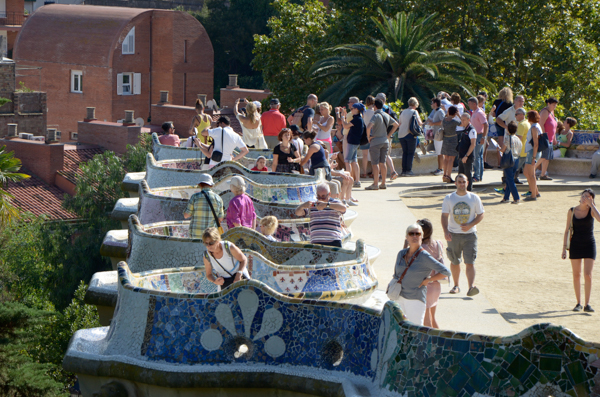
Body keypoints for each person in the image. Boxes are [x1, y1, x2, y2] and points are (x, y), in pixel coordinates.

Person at [390, 223, 451, 325]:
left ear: (421, 237)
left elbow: (446, 272)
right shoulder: (401, 254)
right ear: (406, 237)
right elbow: (396, 274)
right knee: (398, 329)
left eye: (417, 234)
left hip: (415, 300)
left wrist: (429, 279)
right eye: (411, 233)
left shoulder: (424, 256)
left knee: (415, 331)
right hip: (398, 296)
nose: (414, 236)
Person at [441, 174, 484, 296]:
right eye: (459, 182)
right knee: (455, 261)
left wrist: (471, 224)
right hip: (453, 234)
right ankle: (456, 285)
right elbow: (444, 216)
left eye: (464, 182)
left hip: (470, 235)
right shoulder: (449, 198)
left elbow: (481, 214)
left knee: (470, 261)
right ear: (455, 183)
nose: (462, 184)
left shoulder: (474, 198)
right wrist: (446, 231)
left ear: (467, 182)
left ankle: (471, 287)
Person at [562, 189, 600, 313]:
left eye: (588, 197)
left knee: (588, 275)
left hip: (589, 244)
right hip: (575, 244)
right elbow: (567, 230)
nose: (585, 198)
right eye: (584, 196)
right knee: (576, 275)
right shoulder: (572, 211)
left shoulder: (592, 211)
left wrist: (592, 205)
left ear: (592, 199)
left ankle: (587, 304)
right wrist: (564, 248)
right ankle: (578, 303)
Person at [294, 183, 347, 247]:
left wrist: (327, 204)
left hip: (333, 240)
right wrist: (302, 206)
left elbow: (344, 208)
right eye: (318, 196)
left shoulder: (335, 203)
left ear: (329, 194)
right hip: (316, 242)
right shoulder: (313, 205)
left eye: (323, 196)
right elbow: (297, 213)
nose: (320, 199)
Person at [366, 98, 399, 190]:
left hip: (376, 141)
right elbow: (396, 124)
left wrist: (369, 137)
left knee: (375, 163)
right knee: (383, 162)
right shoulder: (386, 115)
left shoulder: (375, 116)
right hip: (385, 141)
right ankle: (383, 183)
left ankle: (375, 184)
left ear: (375, 106)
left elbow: (368, 127)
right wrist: (388, 135)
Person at [183, 174, 224, 238]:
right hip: (211, 236)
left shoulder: (195, 197)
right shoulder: (218, 198)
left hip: (196, 235)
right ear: (211, 185)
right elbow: (220, 218)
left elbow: (186, 215)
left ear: (200, 184)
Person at [339, 102, 365, 185]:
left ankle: (349, 180)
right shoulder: (359, 118)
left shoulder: (357, 119)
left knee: (347, 161)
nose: (351, 110)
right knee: (354, 161)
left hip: (352, 142)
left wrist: (342, 117)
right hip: (355, 142)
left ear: (356, 109)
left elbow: (346, 126)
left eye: (353, 108)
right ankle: (357, 180)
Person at [375, 93, 400, 180]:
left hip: (382, 136)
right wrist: (389, 135)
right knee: (386, 155)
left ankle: (391, 172)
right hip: (387, 136)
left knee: (383, 155)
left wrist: (387, 135)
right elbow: (396, 124)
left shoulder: (381, 110)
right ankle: (389, 172)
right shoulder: (390, 110)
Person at [396, 97, 422, 177]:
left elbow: (399, 123)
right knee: (410, 153)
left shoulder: (402, 112)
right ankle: (408, 170)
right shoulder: (414, 112)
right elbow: (419, 123)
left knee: (405, 152)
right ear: (415, 104)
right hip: (410, 134)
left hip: (401, 134)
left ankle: (404, 170)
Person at [500, 121, 523, 204]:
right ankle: (506, 198)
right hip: (516, 159)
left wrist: (499, 149)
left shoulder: (507, 138)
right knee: (510, 179)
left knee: (509, 179)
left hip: (509, 159)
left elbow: (503, 149)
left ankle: (516, 198)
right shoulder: (518, 139)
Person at [490, 87, 514, 166]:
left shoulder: (496, 102)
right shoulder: (510, 103)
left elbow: (493, 113)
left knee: (500, 143)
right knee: (507, 143)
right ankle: (506, 162)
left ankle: (500, 163)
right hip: (507, 124)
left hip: (498, 123)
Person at [537, 97, 559, 180]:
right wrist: (544, 136)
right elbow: (541, 124)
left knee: (547, 157)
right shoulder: (544, 112)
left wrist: (554, 139)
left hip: (550, 139)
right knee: (543, 156)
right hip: (544, 138)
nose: (555, 106)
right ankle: (532, 170)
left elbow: (553, 127)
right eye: (553, 105)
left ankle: (543, 174)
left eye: (555, 105)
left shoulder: (551, 112)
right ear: (548, 104)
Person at [523, 111, 542, 201]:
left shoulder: (534, 127)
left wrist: (534, 157)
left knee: (531, 174)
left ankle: (533, 195)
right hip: (532, 152)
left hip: (533, 152)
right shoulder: (535, 126)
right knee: (526, 172)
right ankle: (536, 192)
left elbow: (536, 144)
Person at [468, 97, 489, 183]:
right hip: (477, 135)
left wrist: (484, 137)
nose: (468, 105)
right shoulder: (474, 112)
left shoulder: (479, 113)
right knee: (479, 156)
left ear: (474, 104)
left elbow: (486, 124)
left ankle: (476, 176)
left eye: (469, 103)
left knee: (476, 156)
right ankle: (479, 176)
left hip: (479, 136)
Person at [457, 113, 477, 191]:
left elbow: (473, 144)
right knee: (460, 174)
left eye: (464, 120)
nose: (462, 121)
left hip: (467, 156)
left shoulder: (471, 130)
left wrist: (466, 155)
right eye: (461, 120)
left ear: (469, 120)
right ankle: (460, 191)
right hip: (461, 155)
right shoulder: (463, 128)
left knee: (467, 175)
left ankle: (468, 191)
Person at [441, 106, 461, 183]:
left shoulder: (444, 120)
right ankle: (449, 176)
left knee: (445, 158)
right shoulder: (454, 121)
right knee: (451, 159)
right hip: (453, 139)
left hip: (445, 139)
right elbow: (463, 124)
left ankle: (444, 175)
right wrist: (459, 115)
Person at [427, 98, 446, 176]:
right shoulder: (435, 111)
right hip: (436, 134)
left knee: (440, 153)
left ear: (435, 103)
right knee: (439, 153)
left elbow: (443, 121)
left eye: (432, 103)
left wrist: (433, 123)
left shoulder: (440, 111)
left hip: (439, 135)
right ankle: (440, 168)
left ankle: (441, 169)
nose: (431, 104)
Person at [361, 95, 376, 178]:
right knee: (374, 154)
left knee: (364, 155)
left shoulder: (364, 112)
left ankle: (364, 172)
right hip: (373, 134)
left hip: (364, 134)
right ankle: (374, 172)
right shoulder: (375, 112)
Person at [515, 108, 530, 184]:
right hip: (526, 149)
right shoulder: (527, 122)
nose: (515, 116)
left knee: (516, 167)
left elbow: (518, 139)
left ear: (521, 115)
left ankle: (512, 180)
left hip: (520, 150)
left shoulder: (521, 125)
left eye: (516, 114)